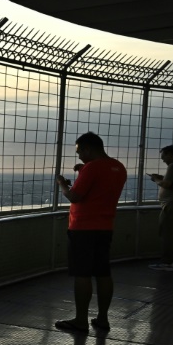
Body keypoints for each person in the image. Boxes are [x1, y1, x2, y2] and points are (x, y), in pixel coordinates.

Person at [53, 132, 127, 334]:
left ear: (88, 148)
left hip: (83, 228)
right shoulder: (118, 167)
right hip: (105, 227)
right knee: (103, 273)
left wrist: (62, 185)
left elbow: (75, 196)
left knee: (82, 273)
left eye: (79, 152)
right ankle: (102, 318)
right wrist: (83, 172)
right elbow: (100, 189)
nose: (78, 157)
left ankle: (80, 320)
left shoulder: (92, 168)